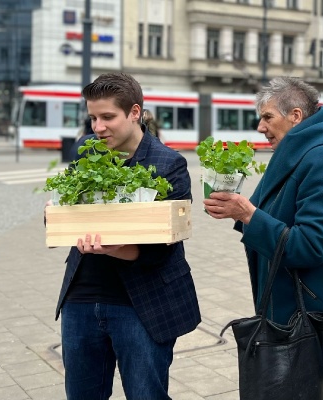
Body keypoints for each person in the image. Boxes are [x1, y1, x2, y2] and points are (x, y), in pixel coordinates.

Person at [204, 76, 323, 399]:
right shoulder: (298, 153)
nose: (260, 127)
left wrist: (248, 215)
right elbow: (278, 215)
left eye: (267, 117)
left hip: (314, 312)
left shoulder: (322, 158)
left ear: (295, 116)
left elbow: (311, 245)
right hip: (297, 305)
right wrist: (239, 212)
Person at [52, 72, 201, 400]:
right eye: (92, 118)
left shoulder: (169, 164)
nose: (98, 127)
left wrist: (115, 247)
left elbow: (165, 246)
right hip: (82, 297)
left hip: (141, 303)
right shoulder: (86, 154)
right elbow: (67, 212)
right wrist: (59, 212)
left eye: (108, 117)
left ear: (135, 112)